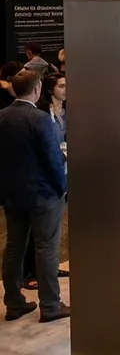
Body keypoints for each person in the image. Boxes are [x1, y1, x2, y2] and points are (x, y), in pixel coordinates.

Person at [1, 70, 69, 323]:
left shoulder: (2, 116)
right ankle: (50, 305)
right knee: (46, 248)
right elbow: (52, 158)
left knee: (14, 248)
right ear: (38, 89)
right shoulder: (39, 119)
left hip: (13, 194)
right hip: (43, 194)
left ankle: (13, 302)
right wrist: (62, 186)